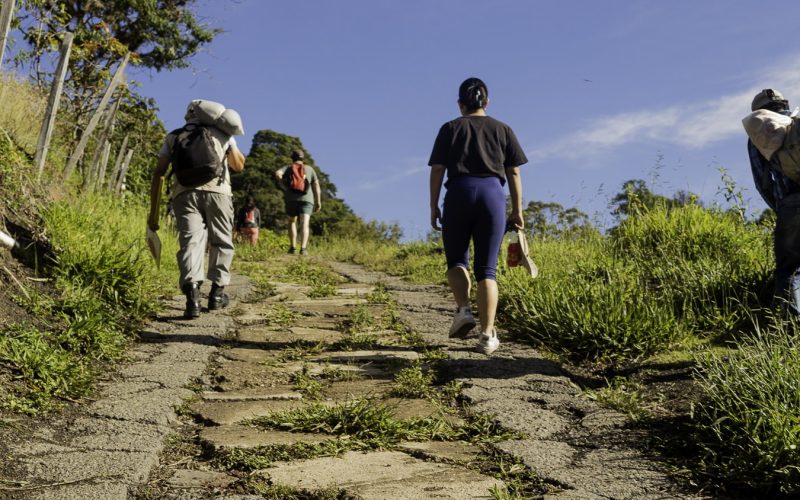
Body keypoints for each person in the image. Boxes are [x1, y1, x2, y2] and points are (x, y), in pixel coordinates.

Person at [428, 77, 527, 355]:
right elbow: (514, 172)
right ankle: (486, 335)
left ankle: (463, 310)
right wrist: (517, 210)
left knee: (457, 260)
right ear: (487, 102)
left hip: (458, 193)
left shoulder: (450, 128)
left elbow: (437, 169)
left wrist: (433, 205)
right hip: (492, 195)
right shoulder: (503, 129)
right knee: (487, 270)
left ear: (461, 104)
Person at [147, 101, 246, 319]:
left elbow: (159, 173)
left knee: (191, 242)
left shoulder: (173, 136)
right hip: (218, 192)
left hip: (184, 194)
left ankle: (192, 297)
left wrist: (152, 213)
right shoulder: (222, 133)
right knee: (221, 240)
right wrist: (230, 143)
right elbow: (238, 166)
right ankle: (217, 294)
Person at [747, 89, 800, 316]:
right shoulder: (796, 122)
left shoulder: (761, 135)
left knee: (788, 269)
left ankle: (791, 326)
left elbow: (762, 182)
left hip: (790, 203)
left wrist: (780, 208)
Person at [275, 150, 321, 255]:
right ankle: (303, 249)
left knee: (292, 221)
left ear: (292, 158)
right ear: (302, 158)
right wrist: (318, 202)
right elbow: (316, 186)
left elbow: (277, 173)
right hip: (307, 200)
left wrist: (284, 185)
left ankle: (293, 247)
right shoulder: (310, 169)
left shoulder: (288, 167)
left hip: (291, 199)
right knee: (305, 223)